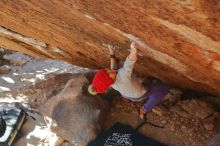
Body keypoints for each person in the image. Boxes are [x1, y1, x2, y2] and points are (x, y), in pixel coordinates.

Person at [88, 42, 170, 119]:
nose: (109, 70)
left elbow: (113, 67)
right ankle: (144, 109)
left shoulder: (111, 81)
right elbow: (129, 63)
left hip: (129, 94)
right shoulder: (123, 76)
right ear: (109, 80)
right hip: (140, 94)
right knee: (164, 88)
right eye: (108, 73)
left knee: (144, 82)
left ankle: (146, 83)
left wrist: (112, 53)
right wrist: (133, 51)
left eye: (106, 70)